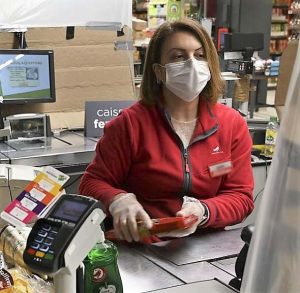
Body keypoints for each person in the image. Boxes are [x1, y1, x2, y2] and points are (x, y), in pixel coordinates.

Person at [79, 18, 254, 243]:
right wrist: (119, 200)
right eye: (178, 57)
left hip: (206, 248)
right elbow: (91, 183)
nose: (192, 64)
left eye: (200, 56)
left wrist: (203, 211)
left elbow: (241, 197)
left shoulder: (231, 124)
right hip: (144, 249)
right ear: (159, 72)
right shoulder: (130, 125)